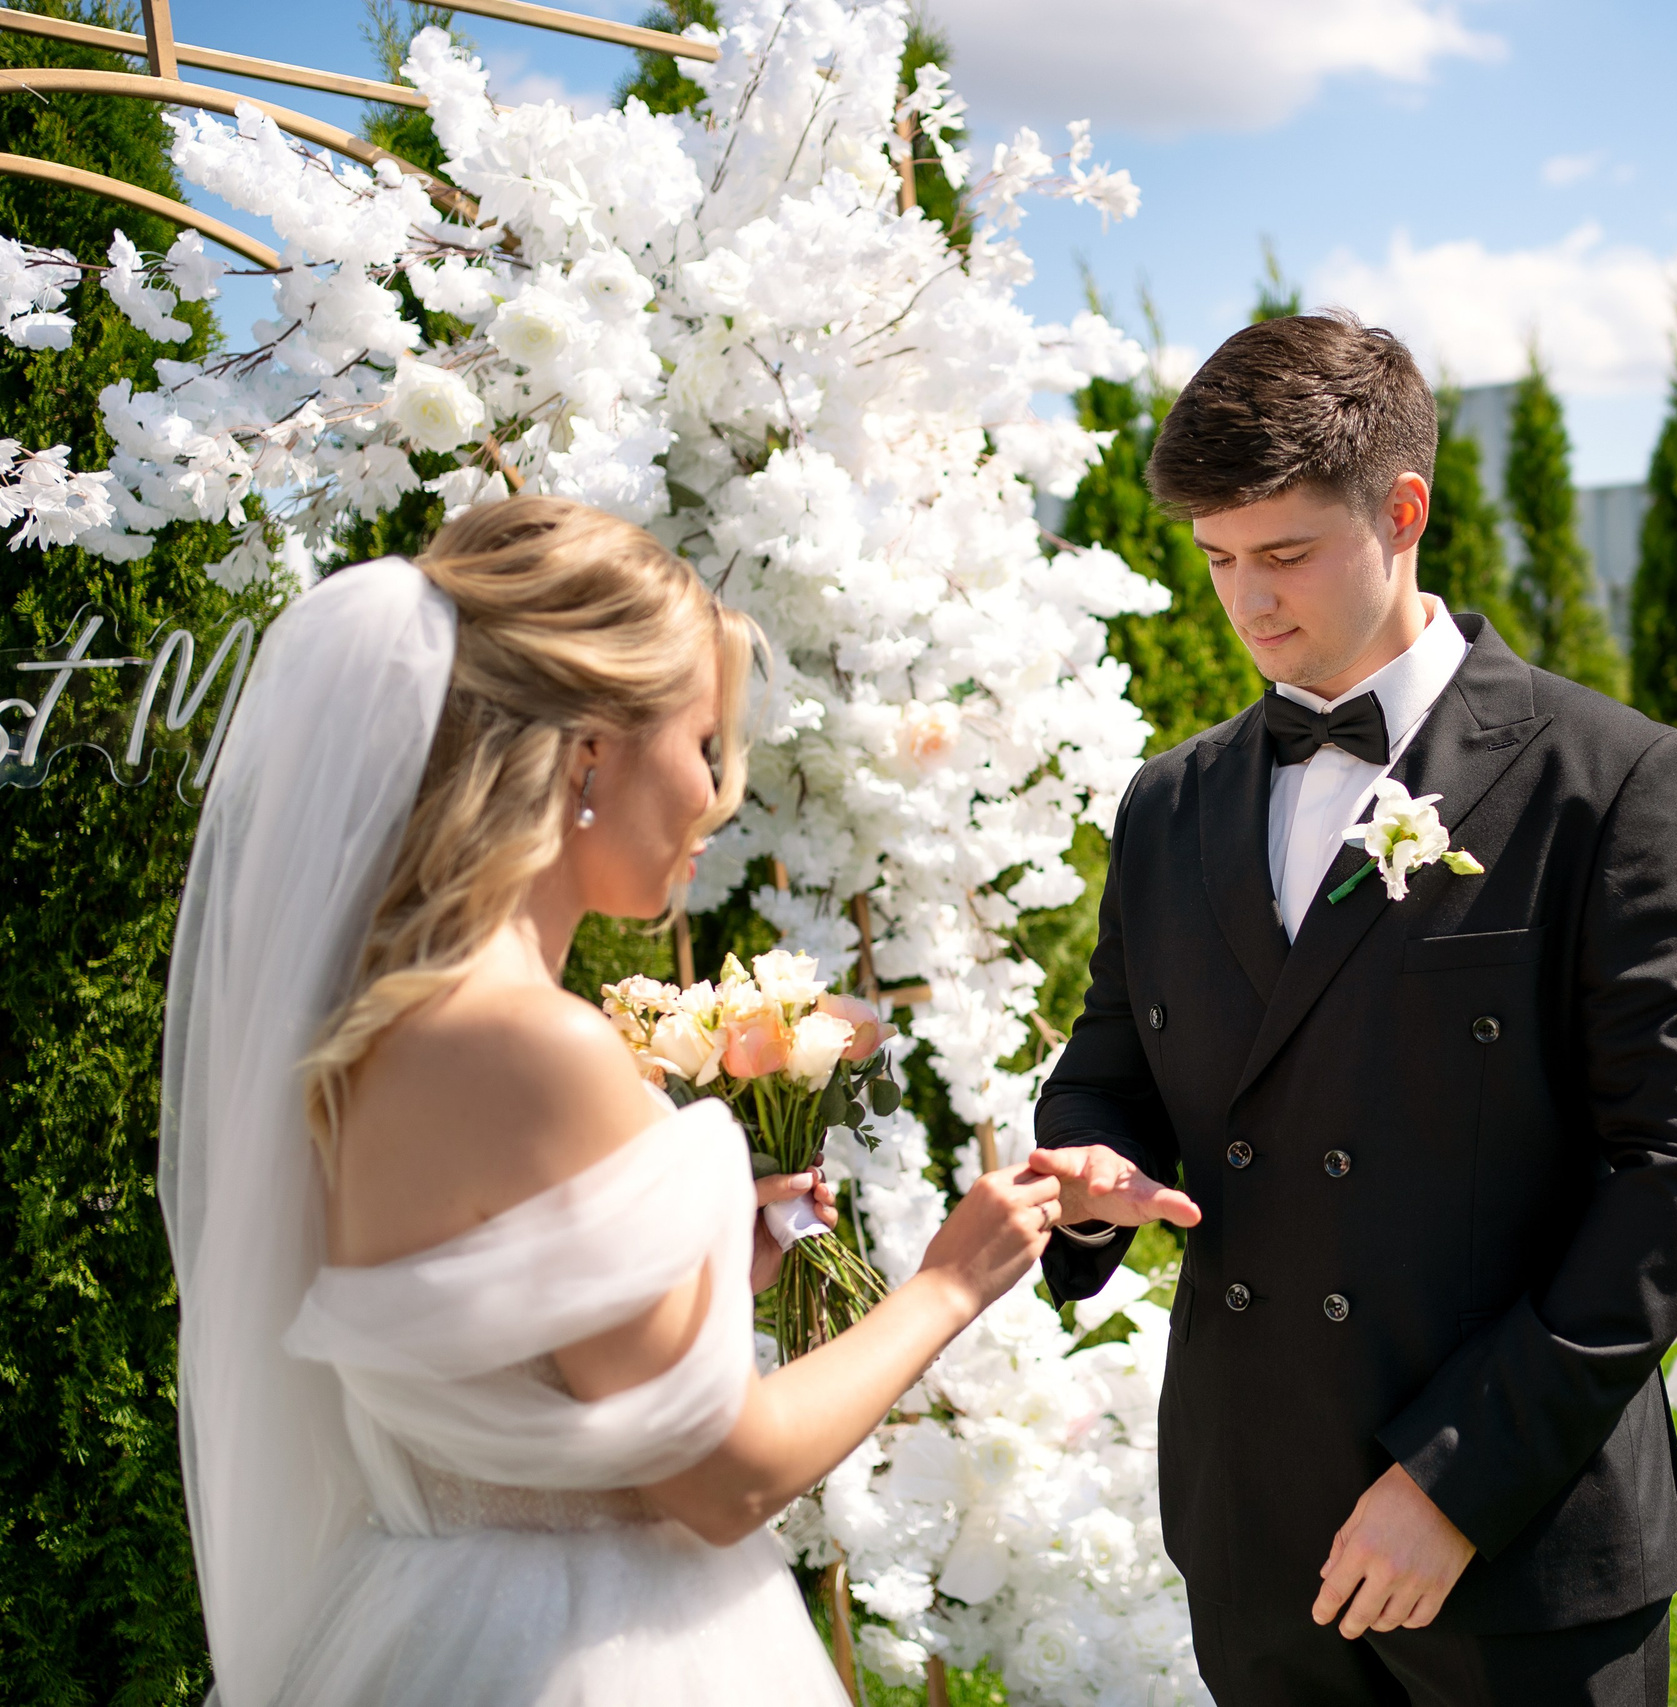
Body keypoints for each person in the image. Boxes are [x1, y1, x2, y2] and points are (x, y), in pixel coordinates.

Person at [159, 495, 1064, 1706]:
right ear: (591, 751)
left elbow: (496, 1361)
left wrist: (689, 1269)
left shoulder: (376, 1028)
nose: (718, 796)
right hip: (587, 1655)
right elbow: (725, 1480)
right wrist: (952, 1282)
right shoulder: (536, 1047)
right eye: (703, 745)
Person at [1028, 313, 1677, 1707]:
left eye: (1286, 552)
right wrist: (1088, 1167)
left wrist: (1457, 1480)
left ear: (1404, 509)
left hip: (1520, 1541)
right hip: (1254, 1532)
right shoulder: (1170, 800)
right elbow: (1106, 1068)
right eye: (1217, 558)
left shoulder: (1614, 781)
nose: (1247, 603)